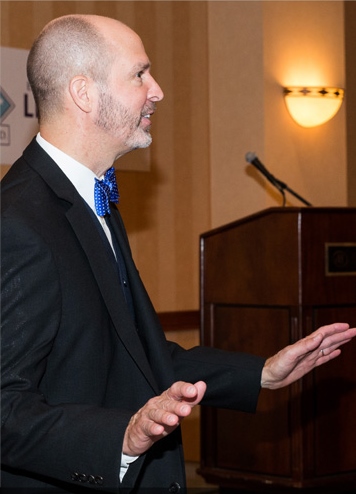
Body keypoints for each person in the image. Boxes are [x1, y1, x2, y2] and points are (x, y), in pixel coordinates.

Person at [1, 14, 355, 494]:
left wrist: (263, 374)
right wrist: (119, 439)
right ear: (83, 93)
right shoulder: (18, 221)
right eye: (140, 74)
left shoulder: (91, 199)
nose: (158, 90)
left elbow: (142, 356)